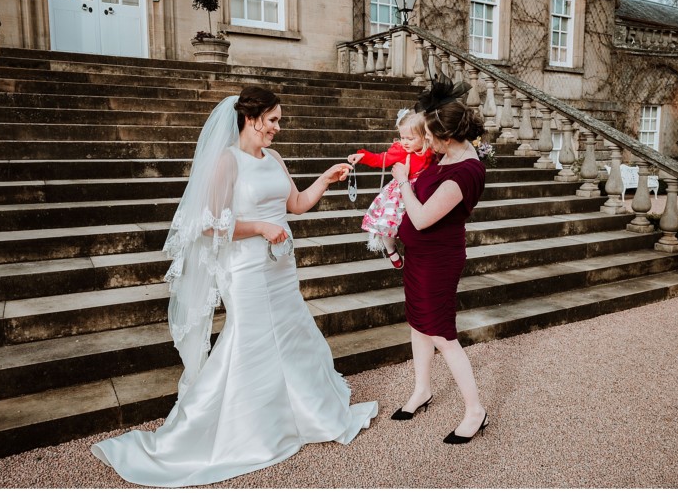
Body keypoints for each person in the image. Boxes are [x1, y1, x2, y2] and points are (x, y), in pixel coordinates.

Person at [91, 86, 378, 487]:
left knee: (292, 332)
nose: (278, 128)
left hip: (280, 267)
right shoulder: (227, 162)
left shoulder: (274, 158)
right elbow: (207, 223)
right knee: (250, 340)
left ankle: (301, 414)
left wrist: (326, 179)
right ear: (250, 117)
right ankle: (243, 429)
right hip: (245, 270)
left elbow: (294, 204)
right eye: (273, 120)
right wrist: (260, 227)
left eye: (279, 120)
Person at [390, 75, 489, 444]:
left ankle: (475, 411)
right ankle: (422, 390)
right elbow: (415, 146)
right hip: (418, 257)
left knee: (443, 334)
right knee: (418, 325)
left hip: (439, 261)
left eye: (431, 135)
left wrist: (401, 181)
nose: (426, 141)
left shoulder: (465, 171)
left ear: (447, 137)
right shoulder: (446, 155)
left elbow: (421, 217)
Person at [347, 109, 433, 269]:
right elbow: (381, 159)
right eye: (402, 137)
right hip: (398, 194)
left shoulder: (429, 153)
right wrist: (363, 156)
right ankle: (390, 249)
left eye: (411, 138)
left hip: (420, 193)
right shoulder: (400, 151)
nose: (405, 142)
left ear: (424, 136)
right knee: (386, 222)